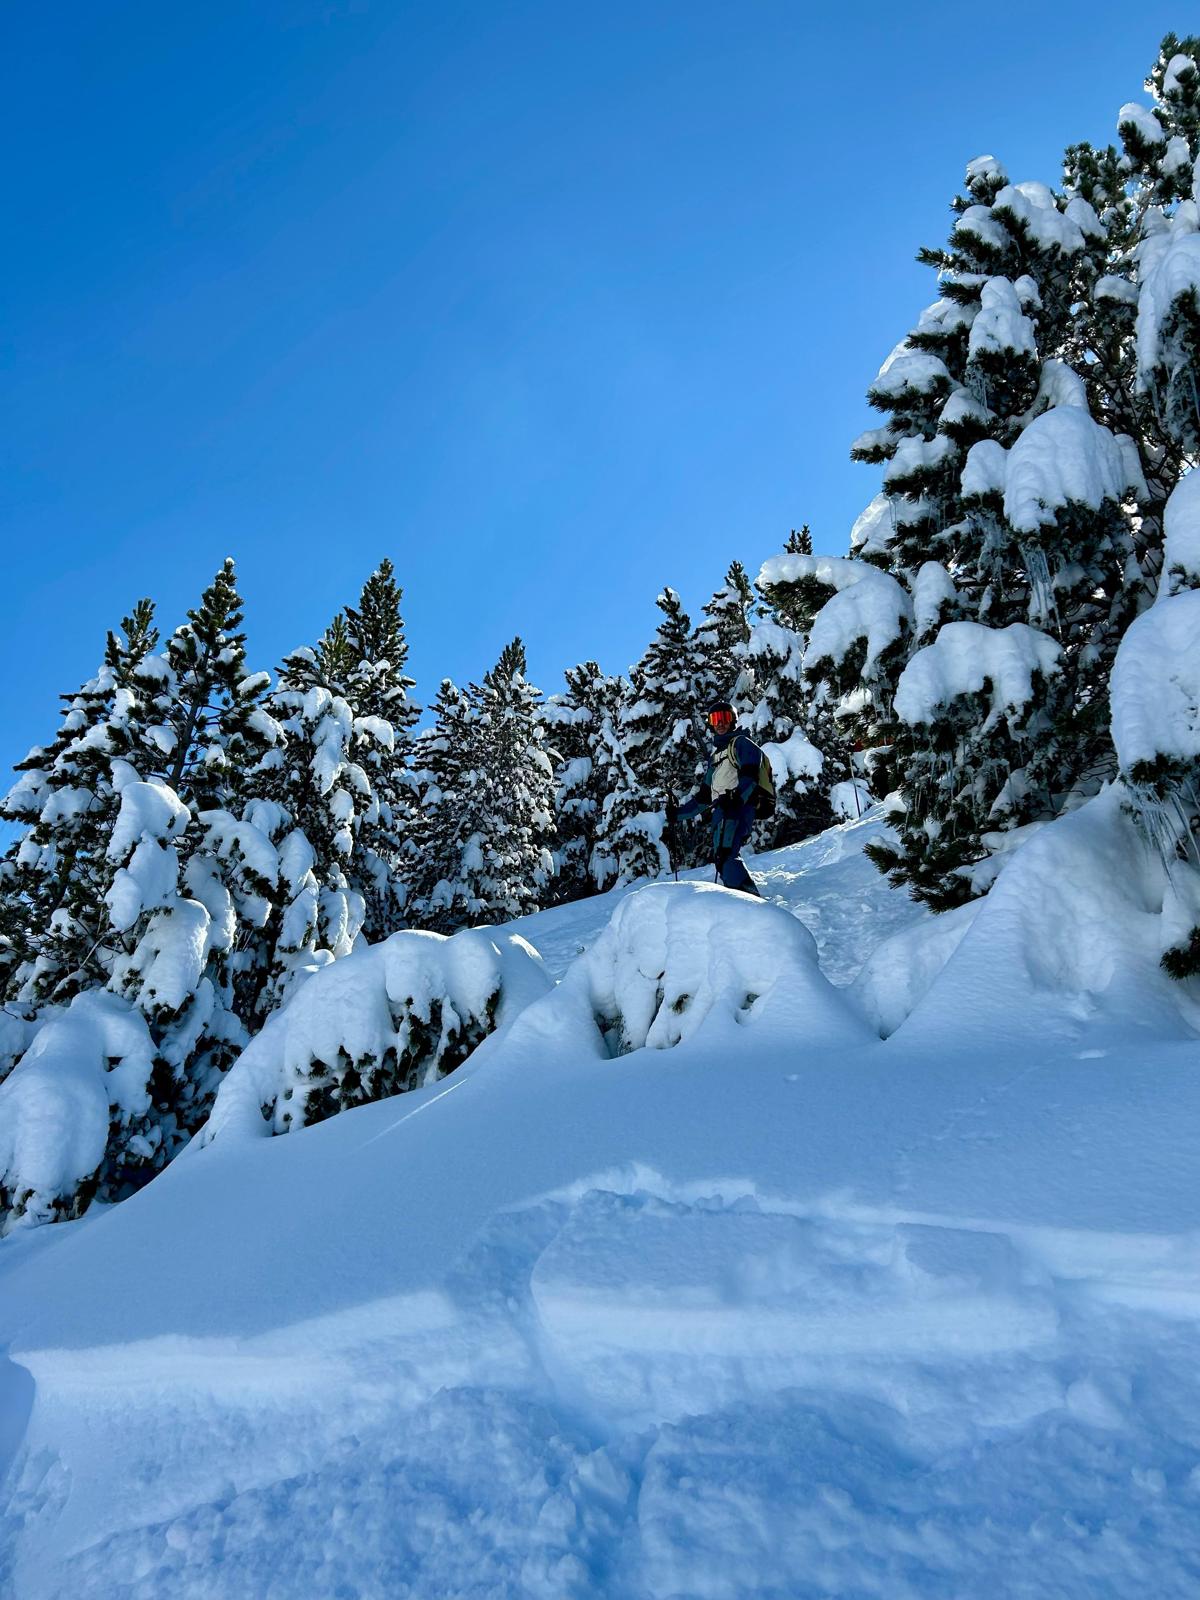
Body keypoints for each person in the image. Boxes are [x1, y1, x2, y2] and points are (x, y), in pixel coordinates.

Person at [667, 700, 765, 896]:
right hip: (723, 811)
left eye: (725, 718)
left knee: (726, 855)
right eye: (715, 719)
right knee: (722, 857)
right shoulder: (717, 758)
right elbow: (703, 799)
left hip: (736, 809)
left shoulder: (741, 743)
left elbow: (751, 776)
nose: (720, 723)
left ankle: (750, 904)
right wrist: (677, 814)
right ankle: (743, 901)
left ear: (733, 721)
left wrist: (735, 798)